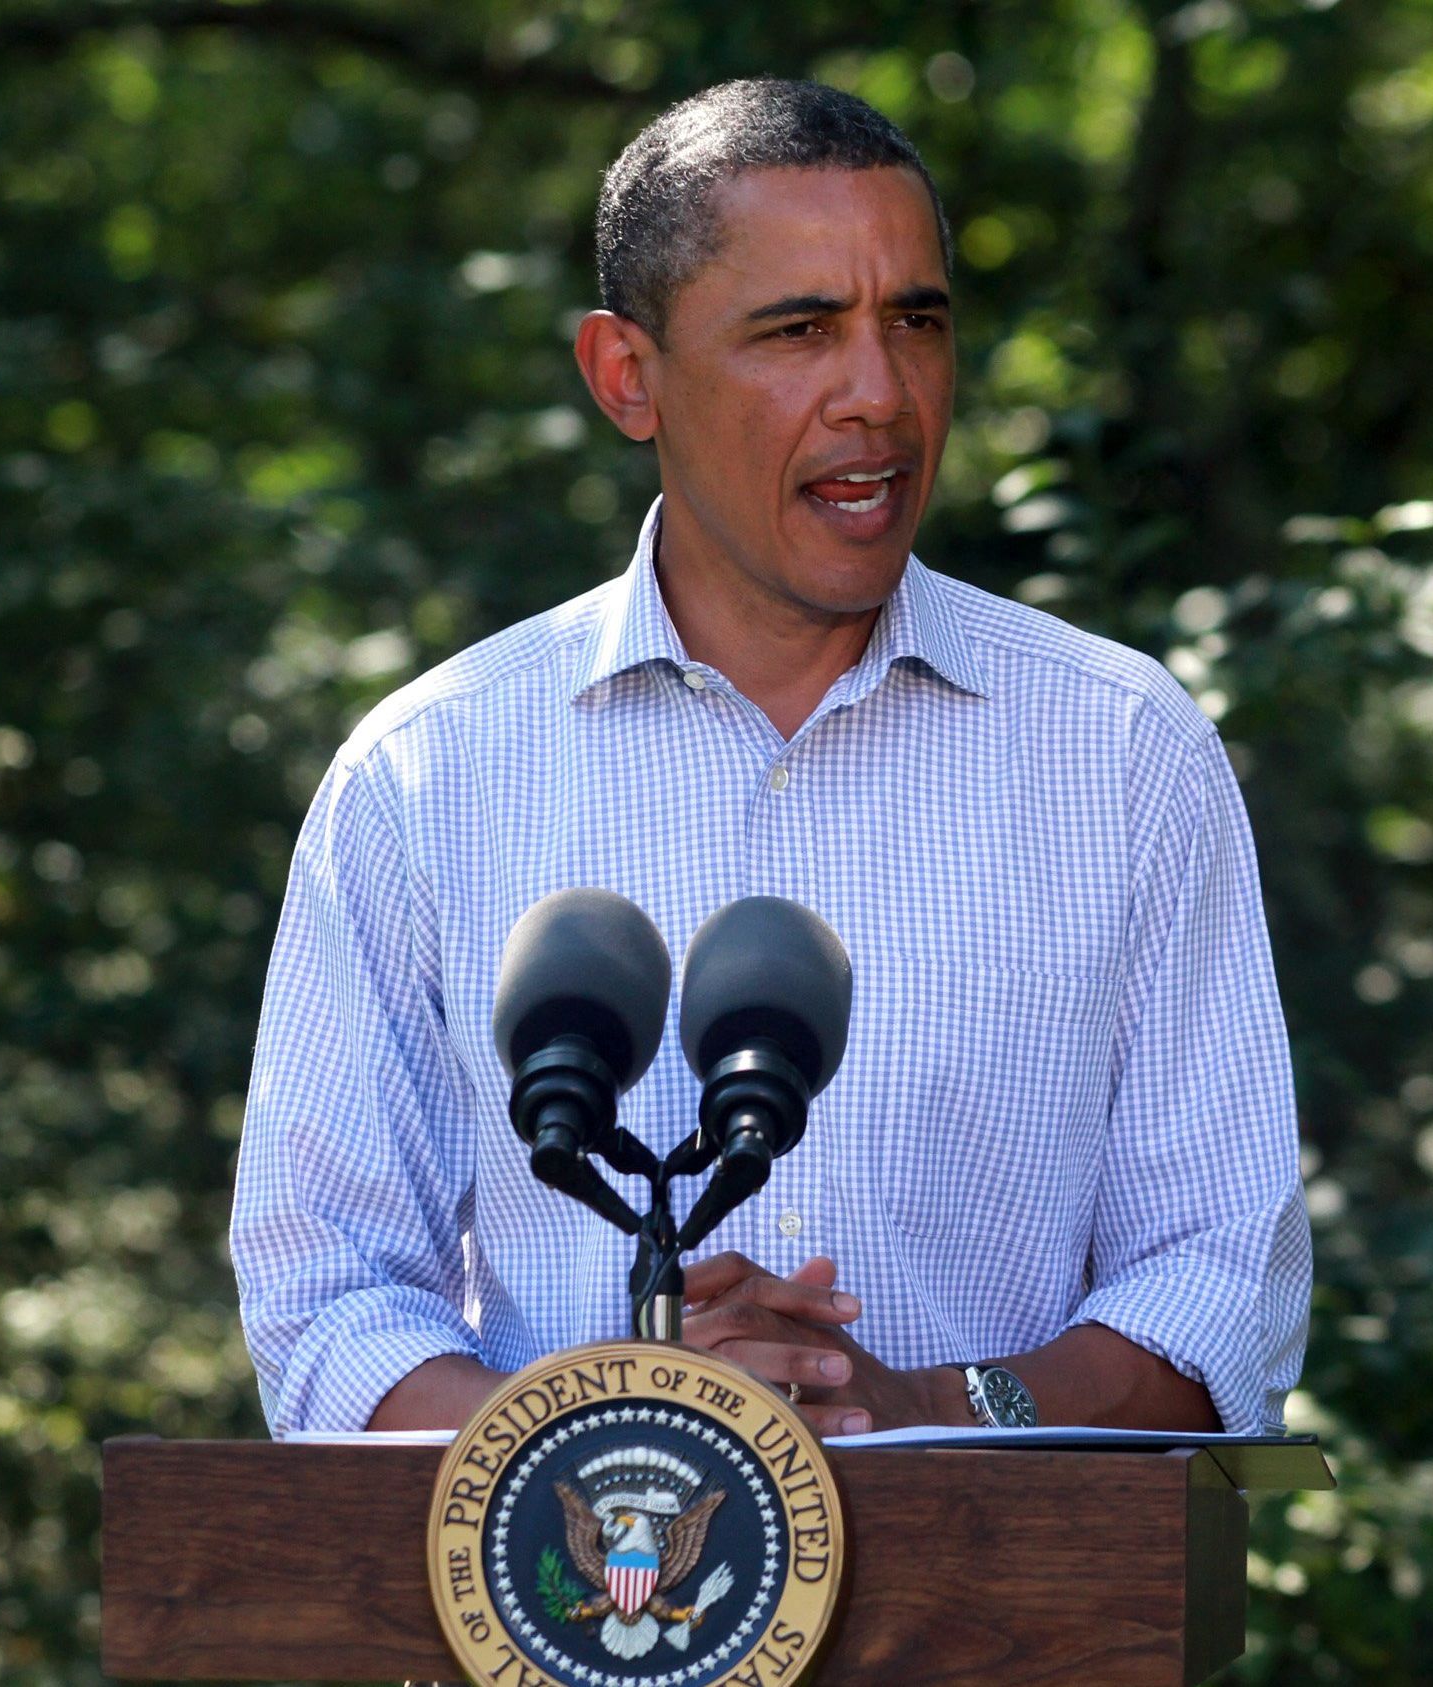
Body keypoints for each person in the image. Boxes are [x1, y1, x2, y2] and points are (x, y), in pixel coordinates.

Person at [229, 77, 1308, 1442]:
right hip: (568, 1628)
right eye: (800, 331)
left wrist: (930, 1409)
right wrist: (625, 1452)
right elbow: (323, 1301)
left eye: (915, 323)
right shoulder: (426, 779)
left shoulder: (1121, 751)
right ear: (630, 378)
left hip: (1011, 1632)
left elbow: (1222, 1286)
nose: (880, 394)